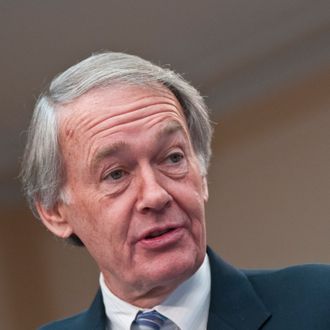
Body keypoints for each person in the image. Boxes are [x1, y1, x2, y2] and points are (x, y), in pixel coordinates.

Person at [21, 52, 330, 330]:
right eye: (115, 175)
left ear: (202, 174)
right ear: (55, 212)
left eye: (173, 158)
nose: (155, 195)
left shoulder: (319, 302)